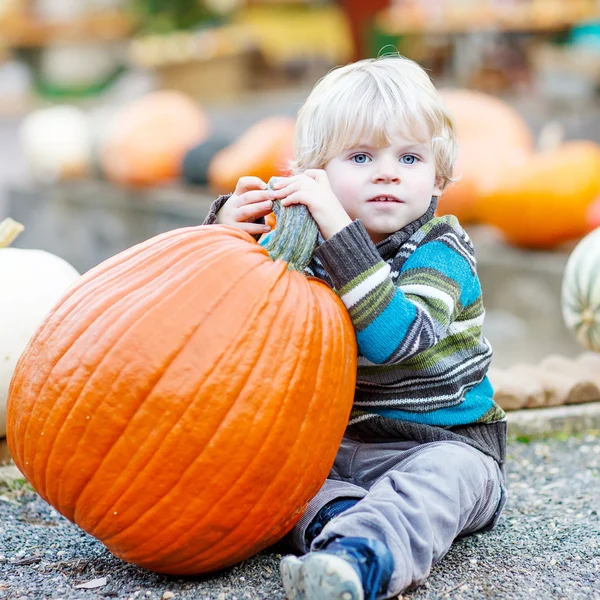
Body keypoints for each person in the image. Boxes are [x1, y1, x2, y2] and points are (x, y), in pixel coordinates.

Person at [202, 54, 507, 600]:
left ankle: (362, 561)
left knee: (438, 485)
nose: (387, 171)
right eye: (362, 156)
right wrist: (229, 232)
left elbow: (401, 338)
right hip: (333, 446)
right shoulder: (311, 247)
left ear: (437, 174)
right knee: (273, 487)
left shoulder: (442, 250)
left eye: (409, 157)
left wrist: (340, 232)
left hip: (446, 444)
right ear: (311, 174)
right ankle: (338, 529)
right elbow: (228, 312)